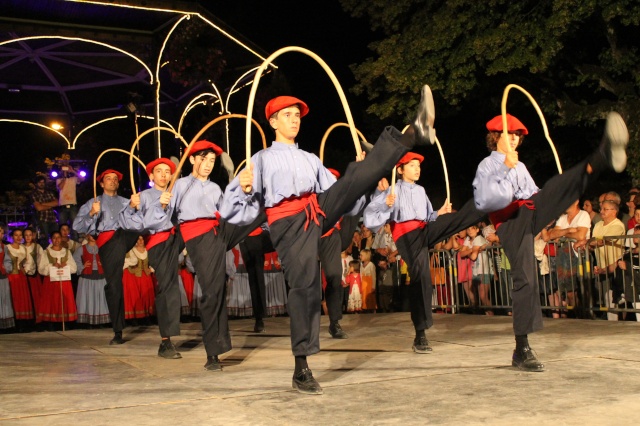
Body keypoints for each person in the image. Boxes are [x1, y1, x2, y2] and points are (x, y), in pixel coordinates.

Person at [220, 87, 436, 394]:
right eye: (287, 116)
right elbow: (231, 211)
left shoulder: (310, 159)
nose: (294, 120)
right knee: (305, 287)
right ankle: (301, 367)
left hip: (317, 209)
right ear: (273, 122)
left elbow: (341, 193)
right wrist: (241, 187)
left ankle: (413, 132)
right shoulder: (261, 160)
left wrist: (364, 175)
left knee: (355, 175)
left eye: (297, 115)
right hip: (287, 222)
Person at [472, 111, 629, 371]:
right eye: (510, 134)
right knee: (525, 278)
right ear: (495, 136)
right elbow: (486, 201)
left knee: (557, 184)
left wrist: (558, 193)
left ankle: (601, 156)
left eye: (518, 136)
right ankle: (521, 348)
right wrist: (505, 166)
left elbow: (535, 194)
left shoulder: (520, 166)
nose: (514, 139)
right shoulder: (487, 165)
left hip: (529, 211)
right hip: (509, 220)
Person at [153, 140, 266, 372]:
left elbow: (228, 212)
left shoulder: (215, 187)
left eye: (212, 161)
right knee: (214, 291)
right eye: (203, 159)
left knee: (260, 205)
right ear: (192, 159)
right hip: (197, 236)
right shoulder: (179, 185)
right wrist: (162, 205)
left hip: (219, 230)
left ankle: (276, 204)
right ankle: (213, 352)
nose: (208, 164)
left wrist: (243, 193)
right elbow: (165, 219)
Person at [364, 152, 484, 352]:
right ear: (400, 170)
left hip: (423, 230)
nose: (417, 169)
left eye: (418, 165)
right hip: (406, 236)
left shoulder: (420, 190)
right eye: (412, 165)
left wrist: (440, 213)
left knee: (454, 219)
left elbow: (428, 217)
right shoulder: (392, 190)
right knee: (421, 277)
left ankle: (486, 202)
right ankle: (420, 334)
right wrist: (386, 204)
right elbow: (370, 217)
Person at [122, 157, 185, 359]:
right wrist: (133, 206)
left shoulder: (174, 193)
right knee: (168, 288)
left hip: (176, 239)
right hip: (158, 243)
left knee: (170, 287)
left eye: (168, 171)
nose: (164, 175)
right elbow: (134, 224)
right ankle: (166, 341)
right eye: (159, 171)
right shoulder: (145, 196)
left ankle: (167, 339)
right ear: (151, 175)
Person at [73, 169, 139, 344]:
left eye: (115, 179)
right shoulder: (93, 203)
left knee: (142, 222)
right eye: (108, 179)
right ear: (101, 184)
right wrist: (92, 214)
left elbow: (139, 221)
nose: (112, 181)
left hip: (125, 235)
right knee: (114, 283)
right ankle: (118, 329)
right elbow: (77, 226)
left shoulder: (126, 202)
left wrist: (134, 208)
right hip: (108, 242)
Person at [547, 200, 591, 315]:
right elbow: (551, 235)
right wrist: (568, 230)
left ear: (576, 201)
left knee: (582, 289)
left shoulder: (583, 215)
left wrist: (561, 234)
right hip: (564, 256)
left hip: (579, 256)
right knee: (569, 291)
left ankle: (585, 315)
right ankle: (578, 316)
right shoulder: (563, 218)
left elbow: (580, 235)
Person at [37, 230, 78, 325]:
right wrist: (52, 265)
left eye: (58, 237)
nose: (56, 240)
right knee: (52, 302)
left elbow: (74, 268)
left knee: (64, 302)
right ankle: (52, 322)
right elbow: (41, 269)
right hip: (51, 281)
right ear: (51, 239)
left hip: (64, 281)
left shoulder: (66, 252)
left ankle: (64, 322)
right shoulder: (46, 252)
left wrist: (66, 265)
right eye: (54, 238)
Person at [239, 224, 272, 333]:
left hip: (257, 235)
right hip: (244, 236)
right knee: (254, 278)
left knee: (257, 277)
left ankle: (259, 318)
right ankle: (259, 318)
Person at [73, 234, 110, 326]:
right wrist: (82, 266)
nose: (93, 236)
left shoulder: (101, 247)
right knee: (87, 297)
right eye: (91, 234)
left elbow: (109, 257)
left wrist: (104, 263)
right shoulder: (82, 248)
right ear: (87, 236)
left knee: (101, 297)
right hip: (87, 276)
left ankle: (101, 320)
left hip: (100, 275)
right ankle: (88, 321)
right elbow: (75, 259)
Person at [122, 235, 155, 322]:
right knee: (135, 297)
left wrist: (151, 269)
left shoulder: (148, 250)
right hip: (133, 276)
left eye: (142, 239)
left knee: (145, 296)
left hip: (145, 276)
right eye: (139, 239)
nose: (140, 241)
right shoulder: (131, 250)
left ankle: (146, 317)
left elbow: (154, 261)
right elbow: (125, 262)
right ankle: (134, 318)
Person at [6, 229, 35, 327]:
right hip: (11, 276)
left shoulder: (23, 248)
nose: (18, 237)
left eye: (20, 235)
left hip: (21, 277)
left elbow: (28, 262)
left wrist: (25, 270)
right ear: (12, 236)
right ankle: (14, 322)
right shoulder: (7, 248)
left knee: (22, 299)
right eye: (16, 235)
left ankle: (23, 323)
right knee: (14, 298)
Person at [30, 176, 58, 247]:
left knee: (56, 237)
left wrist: (43, 204)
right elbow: (38, 208)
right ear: (36, 183)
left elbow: (56, 203)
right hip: (42, 219)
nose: (42, 184)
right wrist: (51, 205)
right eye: (40, 182)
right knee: (44, 239)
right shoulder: (34, 194)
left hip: (52, 218)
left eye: (43, 182)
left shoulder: (49, 192)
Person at [23, 227, 43, 317]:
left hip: (34, 275)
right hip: (23, 276)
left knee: (36, 297)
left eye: (30, 235)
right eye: (26, 235)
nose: (28, 237)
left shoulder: (37, 247)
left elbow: (41, 260)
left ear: (33, 236)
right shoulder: (20, 247)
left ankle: (38, 318)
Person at [56, 164, 83, 231]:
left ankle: (75, 240)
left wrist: (72, 171)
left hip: (72, 205)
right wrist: (64, 177)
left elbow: (82, 179)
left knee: (74, 226)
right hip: (63, 206)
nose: (66, 170)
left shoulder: (73, 179)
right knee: (62, 226)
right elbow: (60, 187)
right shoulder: (58, 180)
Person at [0, 227, 15, 330]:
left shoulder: (4, 247)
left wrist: (5, 268)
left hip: (2, 277)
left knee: (4, 299)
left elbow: (8, 261)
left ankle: (4, 326)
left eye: (1, 232)